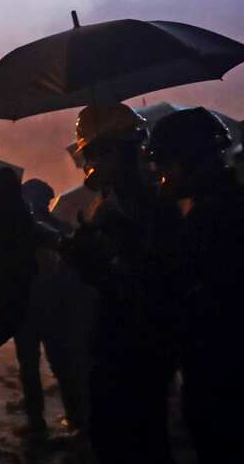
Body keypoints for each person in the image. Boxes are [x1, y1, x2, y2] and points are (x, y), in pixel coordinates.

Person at [64, 103, 179, 464]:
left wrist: (93, 259)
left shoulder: (143, 208)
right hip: (129, 351)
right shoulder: (124, 203)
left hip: (132, 355)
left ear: (115, 151)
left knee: (129, 444)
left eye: (94, 153)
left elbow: (139, 287)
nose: (90, 165)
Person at [147, 107, 244, 462]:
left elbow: (186, 292)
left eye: (163, 165)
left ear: (187, 162)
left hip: (221, 375)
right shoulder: (222, 207)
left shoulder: (215, 218)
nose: (158, 175)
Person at [13, 178, 94, 439]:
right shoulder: (58, 229)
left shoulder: (24, 230)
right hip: (49, 309)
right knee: (60, 364)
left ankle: (42, 422)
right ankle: (74, 418)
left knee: (36, 366)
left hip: (32, 309)